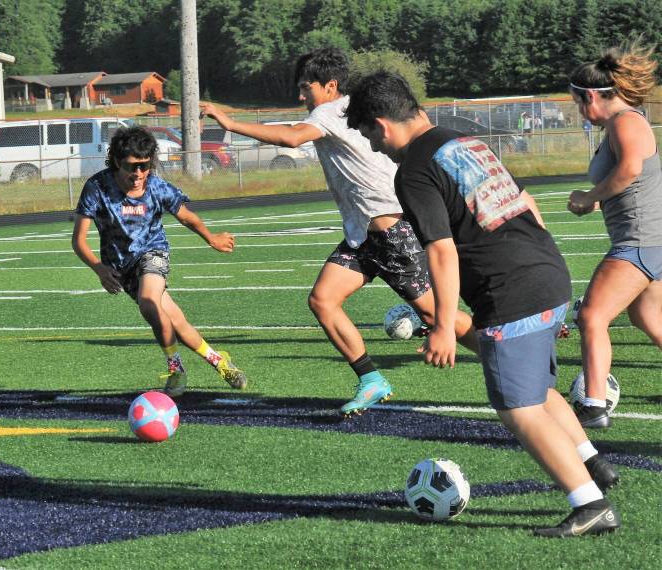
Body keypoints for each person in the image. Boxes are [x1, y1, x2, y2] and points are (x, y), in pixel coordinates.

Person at [345, 71, 620, 537]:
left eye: (369, 136)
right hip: (546, 270)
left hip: (509, 287)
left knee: (516, 404)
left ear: (381, 124)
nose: (373, 147)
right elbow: (525, 201)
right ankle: (592, 463)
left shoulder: (412, 170)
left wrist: (440, 328)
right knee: (536, 389)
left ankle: (588, 503)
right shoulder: (462, 140)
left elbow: (440, 249)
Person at [200, 46, 478, 416]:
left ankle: (506, 355)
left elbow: (292, 138)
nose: (301, 96)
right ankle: (371, 380)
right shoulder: (347, 110)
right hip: (364, 234)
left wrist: (231, 124)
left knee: (436, 317)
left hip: (389, 231)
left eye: (306, 87)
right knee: (323, 300)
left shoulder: (330, 111)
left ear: (330, 85)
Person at [72, 126, 246, 397]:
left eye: (144, 166)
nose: (139, 174)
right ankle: (219, 360)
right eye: (132, 166)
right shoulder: (97, 187)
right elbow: (79, 240)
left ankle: (175, 370)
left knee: (149, 303)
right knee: (176, 321)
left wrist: (210, 237)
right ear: (117, 161)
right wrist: (99, 268)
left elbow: (186, 215)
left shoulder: (156, 186)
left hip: (154, 254)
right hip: (121, 267)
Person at [567, 41, 662, 428]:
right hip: (648, 240)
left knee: (591, 316)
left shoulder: (626, 121)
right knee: (647, 317)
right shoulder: (622, 123)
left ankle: (593, 404)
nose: (579, 112)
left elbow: (630, 171)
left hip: (639, 240)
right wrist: (595, 201)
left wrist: (591, 194)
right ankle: (593, 400)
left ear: (592, 95)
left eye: (577, 103)